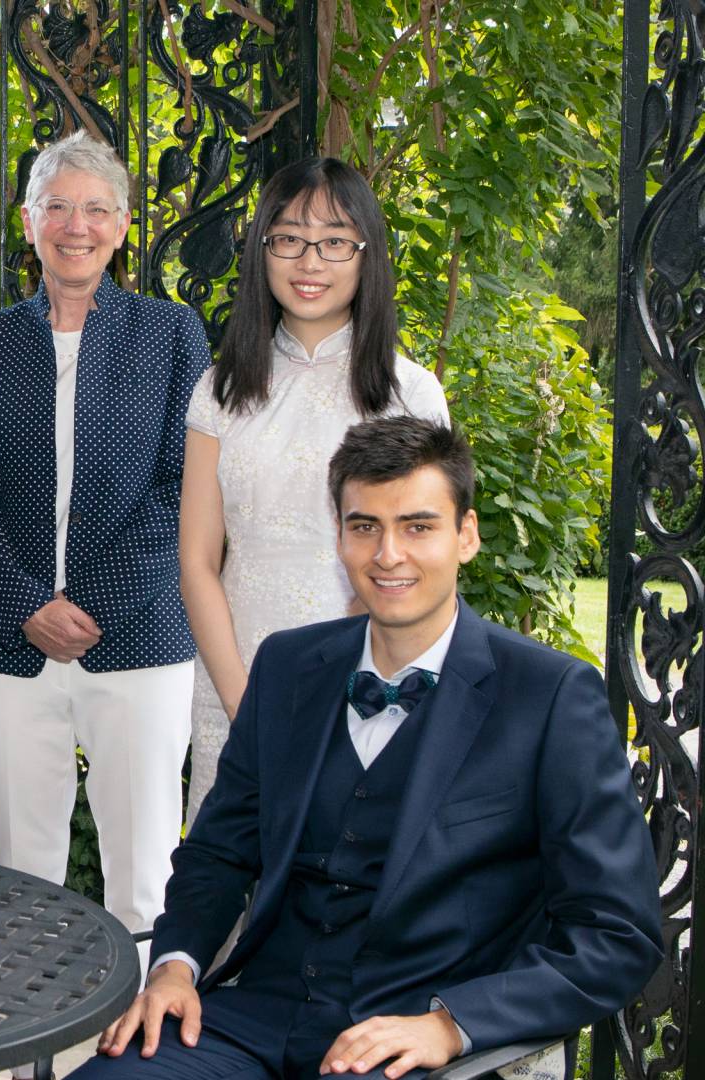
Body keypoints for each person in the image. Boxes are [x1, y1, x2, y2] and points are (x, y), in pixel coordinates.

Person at [87, 416, 661, 1080]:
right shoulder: (287, 667)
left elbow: (617, 934)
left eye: (418, 526)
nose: (389, 554)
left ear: (466, 536)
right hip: (252, 1020)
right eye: (365, 527)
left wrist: (453, 1024)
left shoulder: (550, 696)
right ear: (339, 538)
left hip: (406, 1043)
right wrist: (176, 967)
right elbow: (218, 850)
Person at [0, 131, 210, 935]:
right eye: (56, 207)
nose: (76, 225)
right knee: (22, 875)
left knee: (147, 876)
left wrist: (90, 603)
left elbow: (184, 484)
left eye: (96, 208)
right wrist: (29, 606)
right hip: (5, 645)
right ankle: (34, 1050)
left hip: (140, 641)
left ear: (124, 226)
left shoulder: (172, 333)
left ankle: (142, 1049)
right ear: (28, 224)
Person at [180, 157, 448, 826]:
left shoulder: (407, 393)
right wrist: (249, 707)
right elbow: (197, 560)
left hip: (371, 680)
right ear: (262, 250)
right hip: (236, 675)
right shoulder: (219, 391)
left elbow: (416, 555)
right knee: (237, 893)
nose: (310, 260)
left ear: (366, 256)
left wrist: (350, 690)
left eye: (334, 241)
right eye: (289, 238)